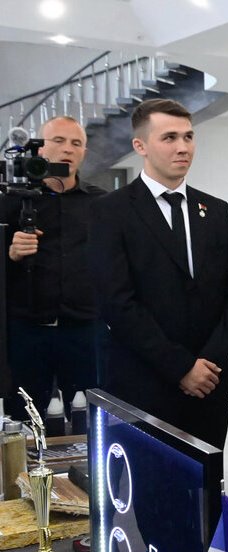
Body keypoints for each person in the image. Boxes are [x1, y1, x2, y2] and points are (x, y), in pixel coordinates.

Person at [90, 98, 228, 449]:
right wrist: (181, 367)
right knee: (148, 478)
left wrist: (210, 362)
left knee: (208, 480)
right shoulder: (111, 211)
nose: (183, 147)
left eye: (189, 137)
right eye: (170, 138)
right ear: (140, 146)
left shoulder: (216, 211)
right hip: (144, 382)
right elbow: (117, 303)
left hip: (210, 384)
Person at [3, 116, 104, 423]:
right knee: (25, 417)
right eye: (58, 141)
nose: (68, 149)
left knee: (91, 418)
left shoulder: (101, 204)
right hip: (26, 331)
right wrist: (10, 254)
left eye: (76, 143)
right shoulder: (10, 202)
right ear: (39, 149)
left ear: (84, 152)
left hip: (85, 330)